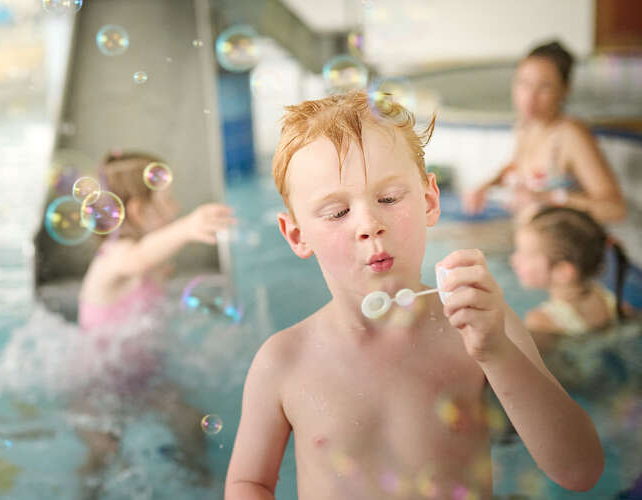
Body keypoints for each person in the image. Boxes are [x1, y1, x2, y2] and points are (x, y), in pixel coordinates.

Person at [225, 90, 604, 499]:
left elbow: (579, 471)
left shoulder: (481, 328)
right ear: (297, 235)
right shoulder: (284, 361)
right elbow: (251, 483)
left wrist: (496, 352)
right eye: (337, 213)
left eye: (388, 198)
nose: (369, 224)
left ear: (429, 200)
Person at [72, 152, 235, 497]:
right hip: (101, 384)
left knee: (191, 422)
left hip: (146, 378)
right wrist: (188, 228)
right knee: (105, 449)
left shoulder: (148, 262)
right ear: (138, 211)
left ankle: (201, 482)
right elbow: (136, 257)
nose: (175, 208)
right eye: (167, 200)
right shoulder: (115, 259)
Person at [462, 41, 626, 224]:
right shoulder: (525, 126)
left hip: (565, 245)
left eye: (544, 87)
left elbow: (614, 209)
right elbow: (518, 165)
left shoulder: (570, 135)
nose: (529, 97)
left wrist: (551, 198)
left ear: (564, 90)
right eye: (523, 83)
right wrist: (486, 187)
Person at [511, 206, 628, 351]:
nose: (513, 260)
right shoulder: (608, 299)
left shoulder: (541, 322)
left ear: (562, 271)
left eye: (525, 255)